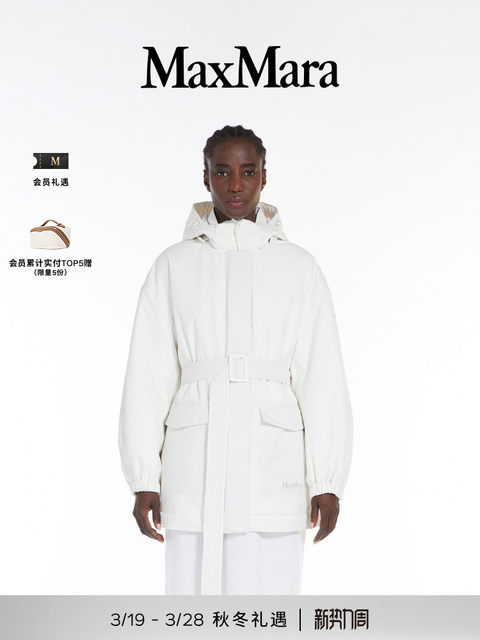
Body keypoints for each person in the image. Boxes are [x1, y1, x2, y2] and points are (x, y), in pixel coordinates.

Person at [118, 124, 353, 595]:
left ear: (265, 176)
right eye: (222, 172)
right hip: (194, 462)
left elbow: (321, 376)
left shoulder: (298, 266)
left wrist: (326, 480)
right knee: (192, 603)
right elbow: (148, 376)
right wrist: (144, 476)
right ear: (205, 177)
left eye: (248, 171)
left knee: (270, 603)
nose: (236, 184)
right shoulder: (174, 265)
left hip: (274, 462)